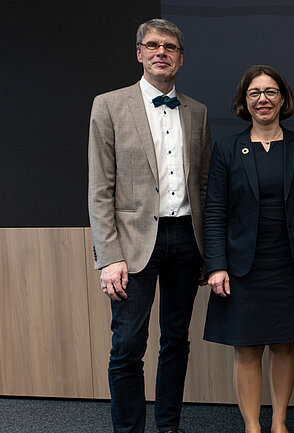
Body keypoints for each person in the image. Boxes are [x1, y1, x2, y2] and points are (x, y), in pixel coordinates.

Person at [88, 18, 211, 433]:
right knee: (127, 347)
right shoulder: (108, 105)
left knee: (176, 342)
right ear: (139, 53)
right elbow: (100, 189)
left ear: (180, 58)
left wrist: (209, 252)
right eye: (153, 45)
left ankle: (169, 427)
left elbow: (206, 185)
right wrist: (108, 257)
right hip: (132, 245)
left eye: (171, 47)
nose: (162, 52)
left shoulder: (198, 112)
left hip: (185, 240)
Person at [202, 65, 294, 433]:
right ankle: (252, 426)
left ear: (283, 99)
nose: (263, 99)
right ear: (244, 101)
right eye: (254, 93)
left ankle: (280, 423)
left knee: (285, 343)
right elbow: (215, 212)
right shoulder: (227, 148)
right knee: (247, 347)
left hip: (290, 262)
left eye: (271, 92)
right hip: (242, 265)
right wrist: (216, 265)